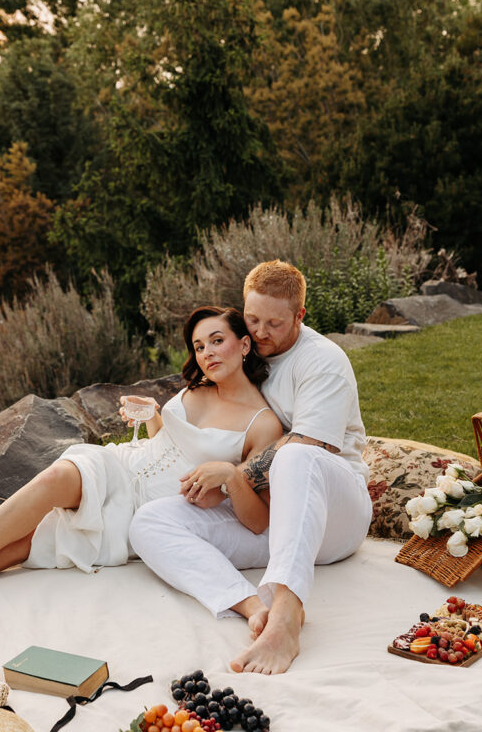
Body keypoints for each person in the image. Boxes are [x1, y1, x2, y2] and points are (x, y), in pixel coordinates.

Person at [0, 306, 283, 618]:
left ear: (245, 345)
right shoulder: (197, 389)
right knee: (60, 475)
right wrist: (154, 416)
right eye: (199, 346)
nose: (206, 353)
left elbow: (259, 520)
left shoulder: (262, 425)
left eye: (217, 340)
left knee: (30, 544)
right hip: (123, 465)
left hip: (150, 508)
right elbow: (170, 445)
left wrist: (228, 476)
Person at [129, 260, 372, 675]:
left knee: (294, 454)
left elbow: (309, 444)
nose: (260, 332)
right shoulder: (249, 350)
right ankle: (253, 607)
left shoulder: (322, 361)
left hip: (335, 516)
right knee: (150, 521)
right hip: (267, 516)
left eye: (274, 324)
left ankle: (286, 617)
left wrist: (231, 477)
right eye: (253, 319)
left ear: (300, 315)